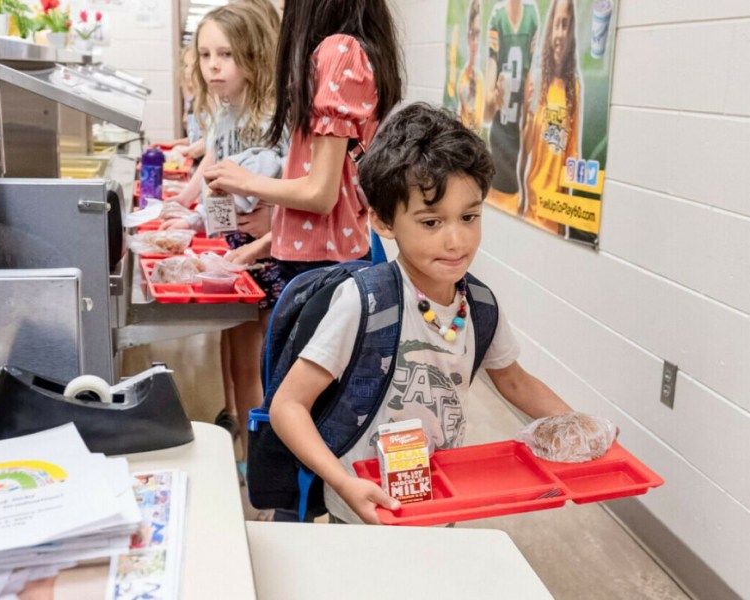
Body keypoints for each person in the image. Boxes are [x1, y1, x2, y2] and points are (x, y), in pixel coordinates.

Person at [268, 103, 597, 525]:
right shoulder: (363, 302)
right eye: (430, 222)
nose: (456, 240)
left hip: (440, 498)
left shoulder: (478, 304)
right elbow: (288, 406)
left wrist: (581, 429)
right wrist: (344, 484)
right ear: (384, 222)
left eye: (469, 217)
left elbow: (514, 381)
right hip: (363, 508)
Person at [160, 2, 287, 457]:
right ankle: (232, 421)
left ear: (253, 56)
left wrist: (273, 222)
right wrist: (190, 213)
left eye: (227, 55)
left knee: (255, 360)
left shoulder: (275, 117)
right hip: (233, 242)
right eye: (206, 54)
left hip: (266, 252)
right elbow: (213, 169)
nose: (213, 66)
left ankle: (256, 460)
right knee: (231, 342)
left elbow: (295, 184)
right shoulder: (226, 110)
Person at [202, 0, 404, 282]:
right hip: (320, 256)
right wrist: (262, 246)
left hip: (323, 264)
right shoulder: (347, 51)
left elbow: (320, 194)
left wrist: (244, 181)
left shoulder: (338, 51)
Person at [520, 0, 582, 235]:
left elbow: (572, 155)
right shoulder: (537, 82)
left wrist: (566, 210)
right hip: (532, 210)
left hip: (555, 215)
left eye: (565, 25)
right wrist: (527, 115)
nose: (560, 33)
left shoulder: (573, 89)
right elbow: (525, 150)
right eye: (556, 25)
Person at [483, 0, 540, 214]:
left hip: (523, 143)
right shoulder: (498, 17)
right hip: (499, 141)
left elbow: (532, 91)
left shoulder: (532, 15)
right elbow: (487, 113)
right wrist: (495, 96)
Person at [456, 0, 484, 134]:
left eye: (478, 35)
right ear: (468, 37)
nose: (475, 42)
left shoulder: (480, 79)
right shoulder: (463, 76)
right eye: (473, 35)